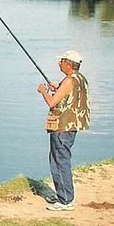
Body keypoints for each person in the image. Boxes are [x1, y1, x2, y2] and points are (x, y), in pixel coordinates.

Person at [36, 49, 91, 212]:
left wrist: (43, 91)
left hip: (61, 127)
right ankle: (64, 196)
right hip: (71, 127)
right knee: (62, 160)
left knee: (59, 162)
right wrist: (57, 87)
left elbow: (52, 102)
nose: (59, 63)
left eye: (62, 61)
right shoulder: (80, 79)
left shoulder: (68, 81)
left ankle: (66, 200)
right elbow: (68, 95)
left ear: (69, 64)